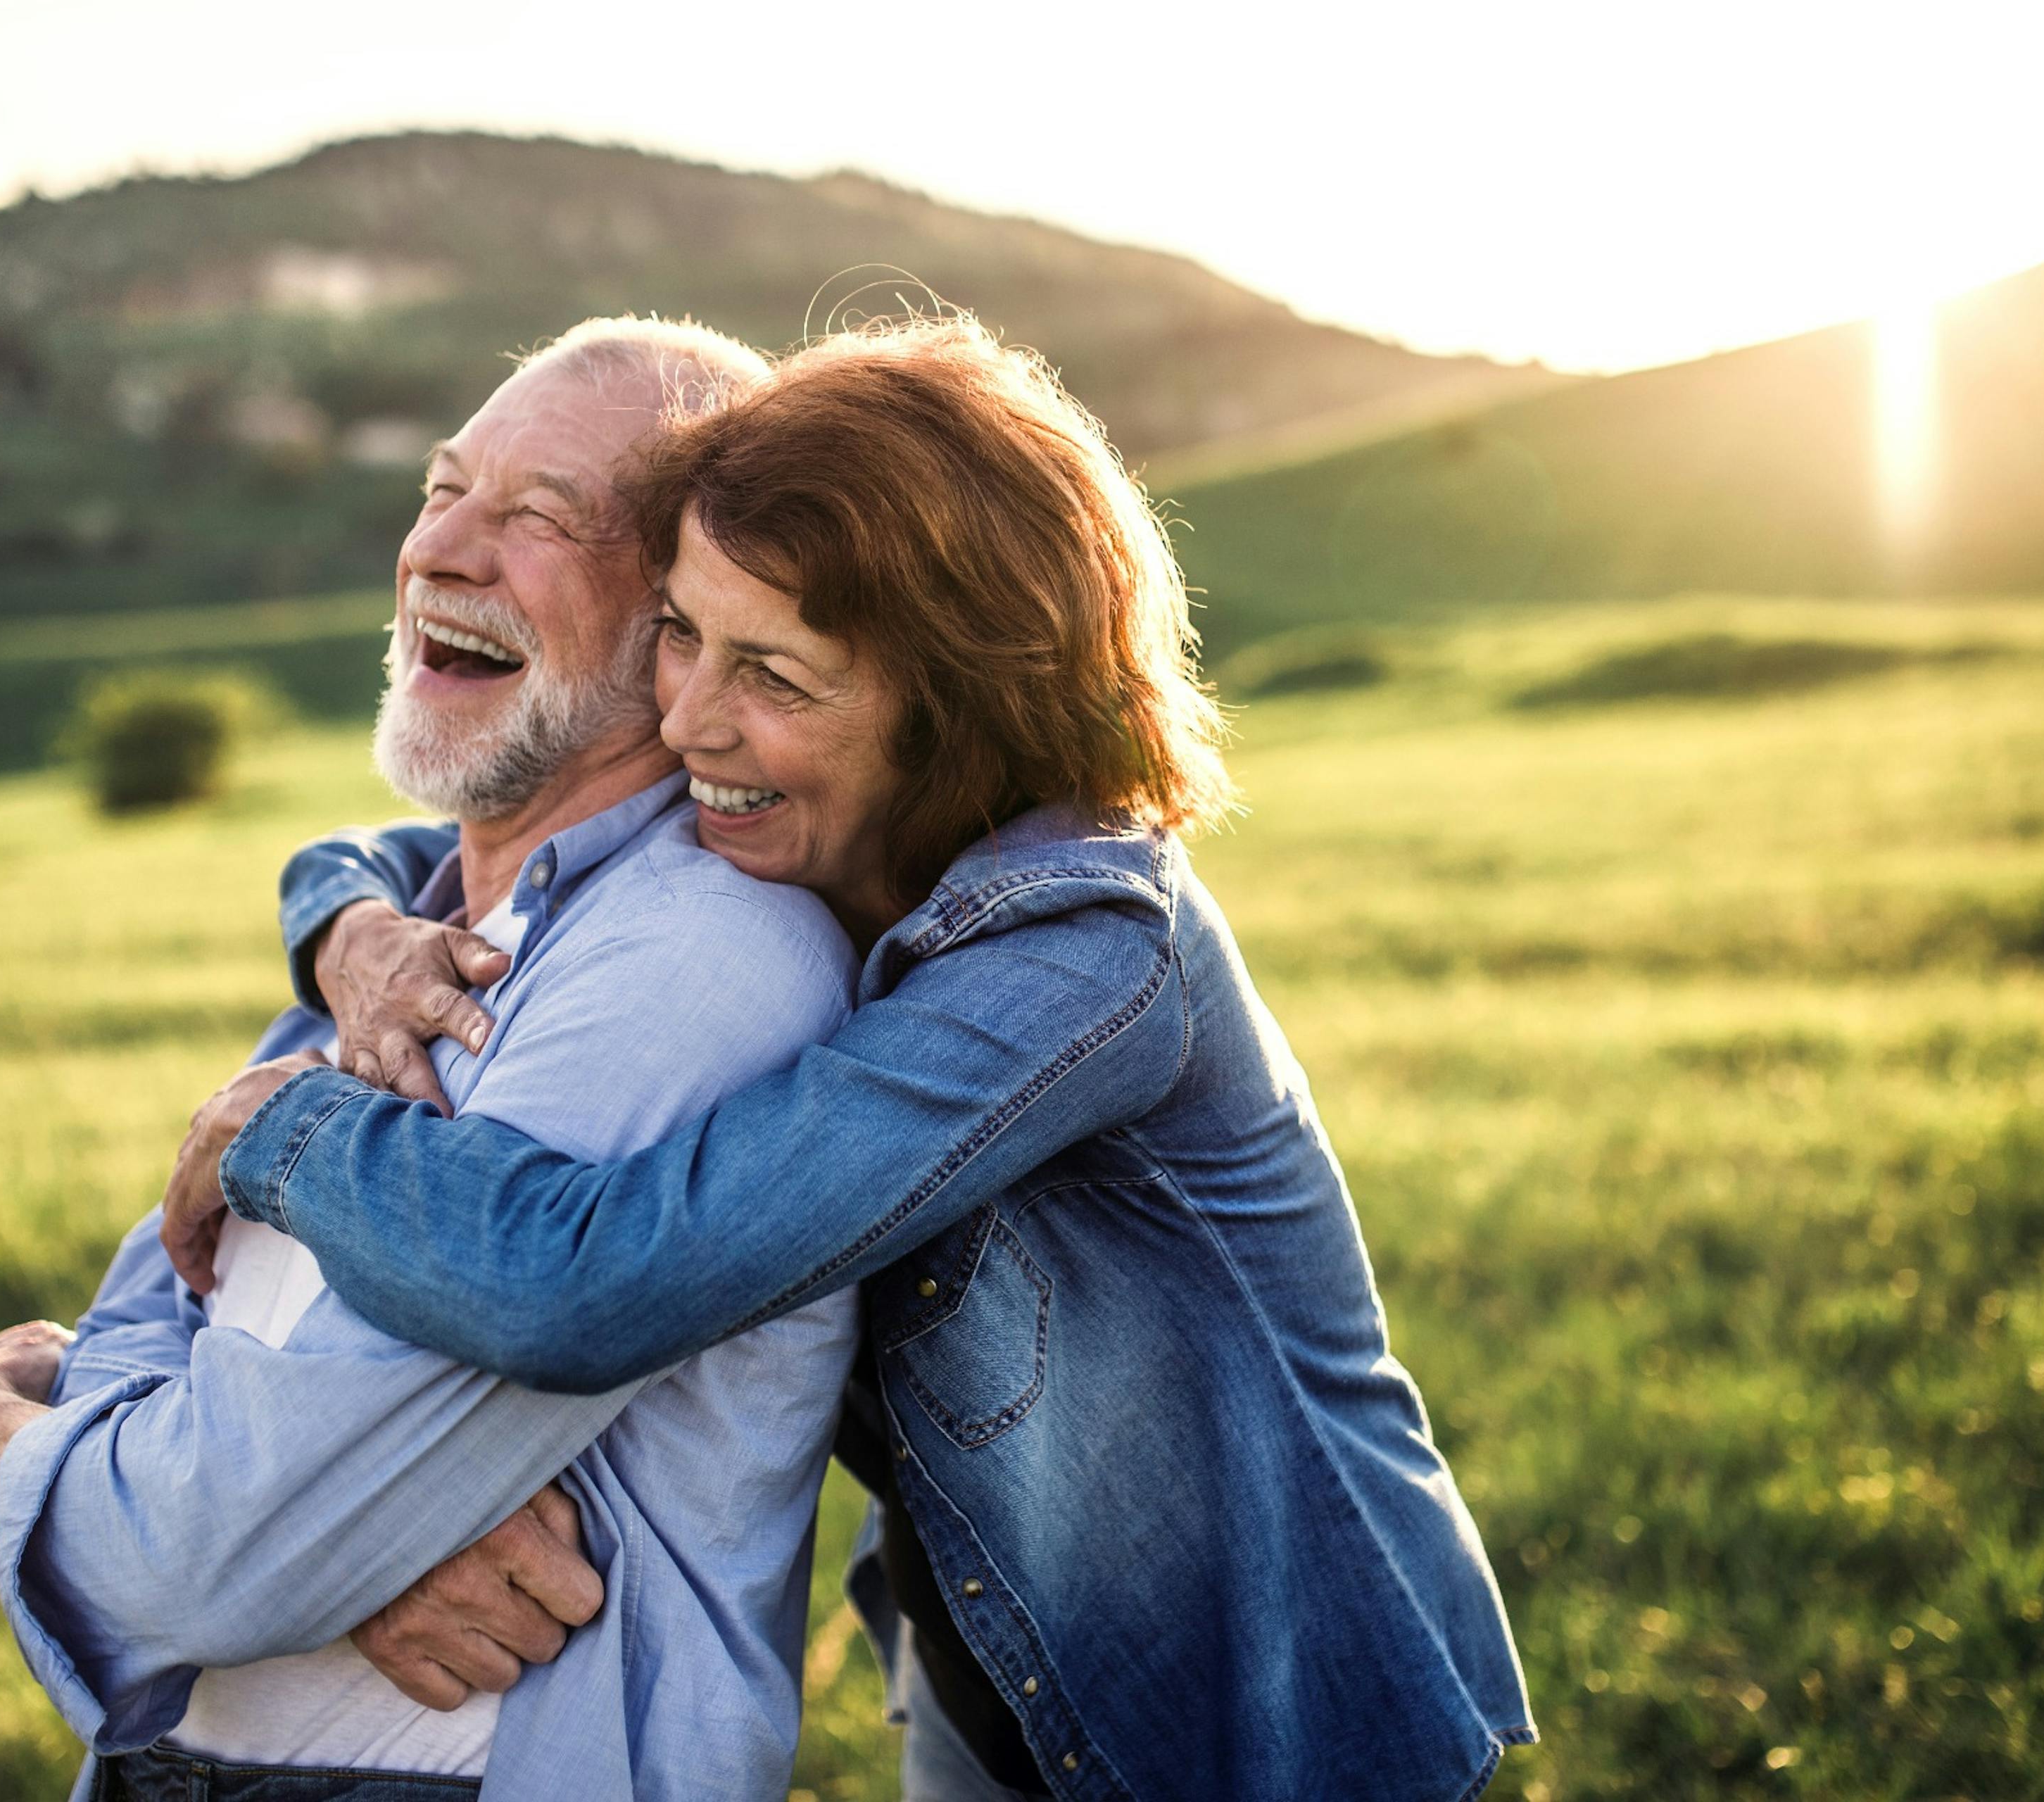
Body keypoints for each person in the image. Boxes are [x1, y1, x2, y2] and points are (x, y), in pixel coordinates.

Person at [163, 315, 1537, 1801]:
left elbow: (597, 1279)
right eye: (685, 629)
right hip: (994, 1667)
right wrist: (354, 932)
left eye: (777, 675)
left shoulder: (1084, 957)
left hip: (1265, 1718)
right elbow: (410, 845)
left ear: (954, 707)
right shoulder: (823, 831)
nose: (688, 717)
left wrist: (283, 1130)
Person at [0, 317, 868, 1802]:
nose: (446, 551)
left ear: (679, 625)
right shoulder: (396, 943)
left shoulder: (698, 958)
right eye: (443, 488)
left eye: (542, 517)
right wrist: (323, 1545)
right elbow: (154, 1324)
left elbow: (209, 1553)